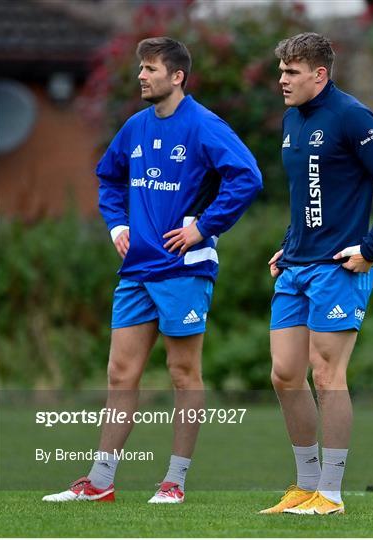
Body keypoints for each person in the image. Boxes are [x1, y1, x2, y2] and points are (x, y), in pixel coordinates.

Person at [43, 37, 262, 504]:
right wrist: (117, 224)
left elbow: (247, 176)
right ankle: (99, 483)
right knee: (120, 374)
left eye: (150, 69)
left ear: (177, 76)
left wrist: (203, 228)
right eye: (140, 68)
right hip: (137, 271)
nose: (141, 76)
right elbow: (108, 176)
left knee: (184, 374)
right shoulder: (135, 127)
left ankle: (174, 482)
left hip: (184, 270)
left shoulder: (204, 126)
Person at [260, 33, 373, 515]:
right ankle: (305, 485)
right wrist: (288, 241)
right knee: (285, 375)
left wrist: (371, 248)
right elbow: (307, 191)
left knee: (327, 376)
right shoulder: (290, 120)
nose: (282, 80)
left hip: (337, 270)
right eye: (281, 71)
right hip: (296, 266)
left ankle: (331, 493)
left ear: (319, 75)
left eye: (292, 72)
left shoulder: (351, 115)